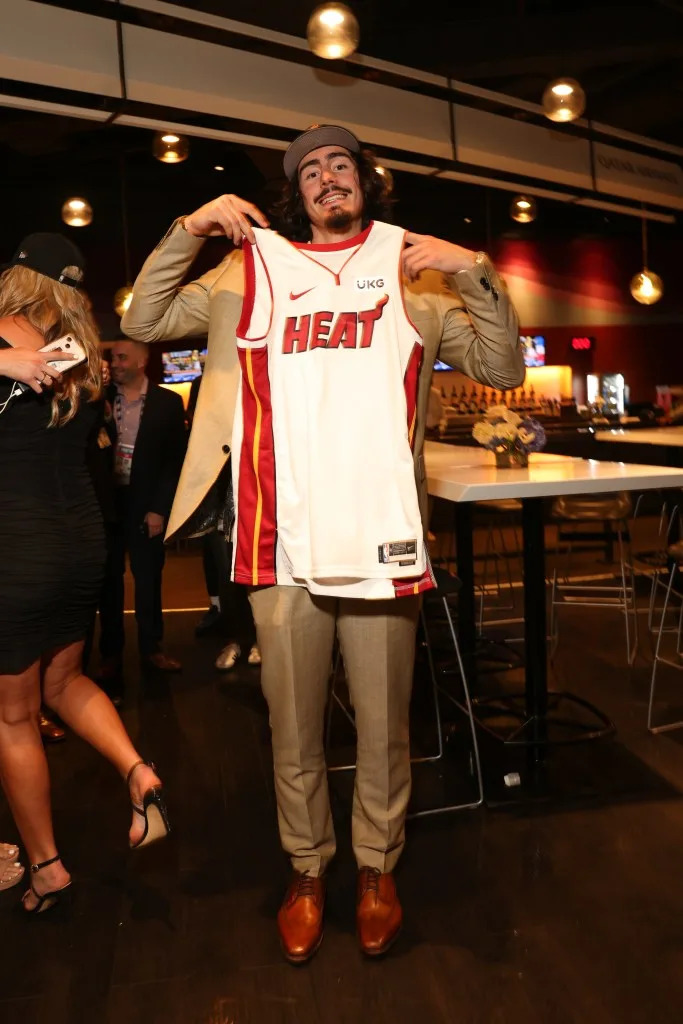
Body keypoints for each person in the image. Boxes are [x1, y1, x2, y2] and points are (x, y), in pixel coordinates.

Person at [122, 124, 523, 961]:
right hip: (280, 540)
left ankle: (377, 868)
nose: (327, 177)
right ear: (295, 194)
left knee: (381, 728)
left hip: (382, 537)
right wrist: (190, 229)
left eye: (341, 164)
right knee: (293, 728)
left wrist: (471, 269)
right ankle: (307, 869)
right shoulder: (249, 270)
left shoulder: (410, 278)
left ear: (365, 184)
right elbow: (143, 315)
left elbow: (501, 368)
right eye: (310, 170)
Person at [0, 234, 170, 913]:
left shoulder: (7, 334)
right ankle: (139, 773)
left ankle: (46, 867)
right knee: (65, 681)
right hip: (80, 544)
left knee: (13, 717)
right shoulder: (82, 357)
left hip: (15, 548)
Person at [97, 339, 187, 689]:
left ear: (141, 362)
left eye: (121, 357)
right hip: (107, 502)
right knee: (109, 582)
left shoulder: (167, 403)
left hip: (146, 503)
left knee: (149, 579)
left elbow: (173, 463)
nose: (114, 363)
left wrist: (159, 509)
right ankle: (110, 654)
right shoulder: (99, 399)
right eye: (112, 358)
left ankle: (152, 648)